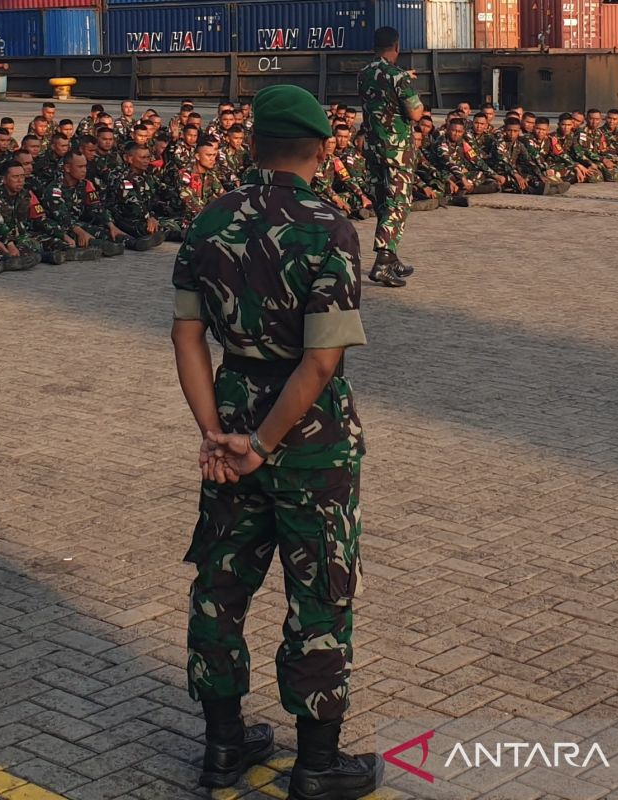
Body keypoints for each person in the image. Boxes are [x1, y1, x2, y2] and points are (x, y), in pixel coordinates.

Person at [170, 83, 381, 799]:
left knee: (221, 585)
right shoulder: (331, 226)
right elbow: (321, 361)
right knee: (318, 590)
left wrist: (216, 433)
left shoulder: (210, 221)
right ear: (322, 149)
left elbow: (188, 334)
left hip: (230, 414)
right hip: (308, 434)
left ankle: (222, 747)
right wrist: (262, 443)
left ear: (252, 144)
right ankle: (317, 766)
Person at [358, 26, 423, 288]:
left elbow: (380, 90)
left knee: (384, 200)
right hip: (397, 151)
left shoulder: (363, 74)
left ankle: (392, 256)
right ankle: (383, 261)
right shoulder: (398, 76)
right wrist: (405, 80)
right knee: (399, 203)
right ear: (396, 46)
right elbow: (416, 113)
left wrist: (401, 77)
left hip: (374, 147)